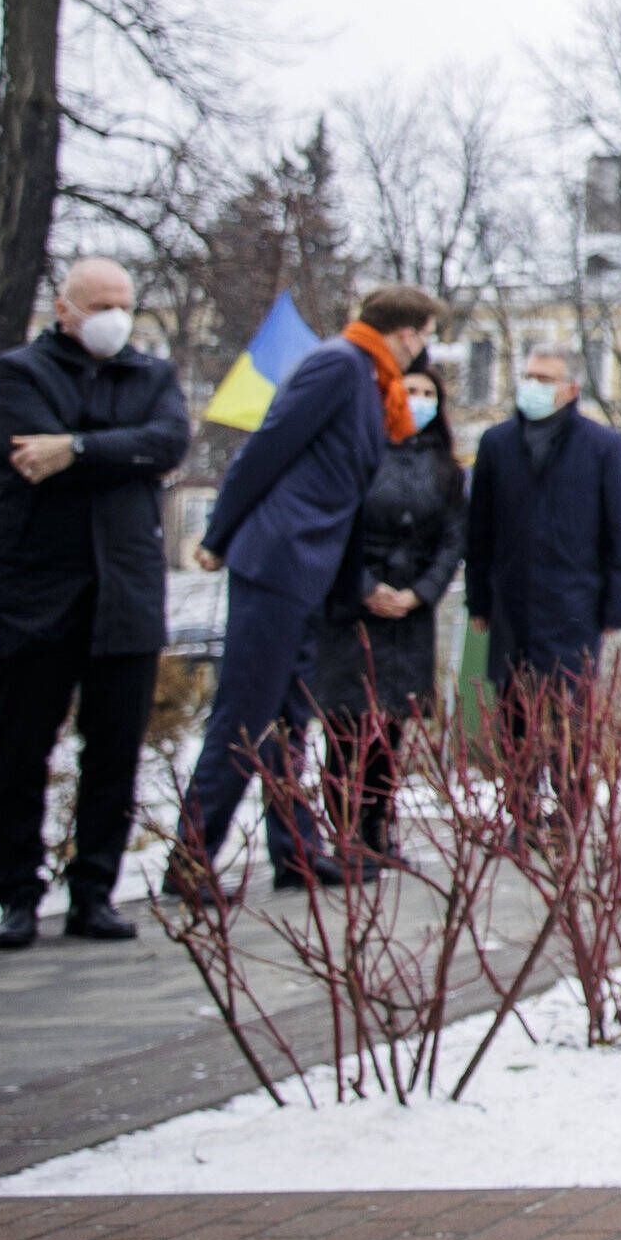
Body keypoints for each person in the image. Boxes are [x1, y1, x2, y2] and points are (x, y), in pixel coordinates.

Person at [179, 285, 437, 901]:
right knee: (245, 713)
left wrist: (350, 587)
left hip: (309, 569)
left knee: (290, 719)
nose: (423, 349)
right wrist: (219, 534)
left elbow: (344, 492)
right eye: (425, 335)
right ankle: (191, 859)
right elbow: (268, 446)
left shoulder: (366, 378)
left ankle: (296, 853)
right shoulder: (338, 364)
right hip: (278, 560)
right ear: (406, 333)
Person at [0, 257, 191, 948]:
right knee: (20, 751)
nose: (114, 317)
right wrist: (113, 453)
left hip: (124, 593)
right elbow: (29, 455)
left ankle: (93, 890)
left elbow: (166, 443)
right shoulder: (17, 373)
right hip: (38, 592)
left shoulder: (151, 375)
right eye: (99, 303)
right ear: (63, 307)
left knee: (114, 755)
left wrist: (75, 446)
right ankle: (15, 893)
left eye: (124, 303)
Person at [461, 344, 621, 827]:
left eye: (544, 378)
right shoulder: (497, 444)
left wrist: (614, 611)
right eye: (528, 375)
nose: (532, 385)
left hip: (574, 605)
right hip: (512, 604)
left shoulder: (602, 447)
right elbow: (479, 532)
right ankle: (522, 815)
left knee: (570, 720)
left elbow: (620, 533)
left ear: (570, 389)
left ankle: (571, 812)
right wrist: (478, 600)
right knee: (514, 717)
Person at [309, 352, 466, 868]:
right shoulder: (358, 453)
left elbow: (452, 540)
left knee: (389, 728)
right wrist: (365, 586)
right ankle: (344, 832)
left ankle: (379, 826)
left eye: (428, 394)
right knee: (347, 726)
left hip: (410, 614)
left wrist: (420, 592)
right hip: (354, 609)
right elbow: (337, 527)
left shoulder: (445, 468)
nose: (417, 402)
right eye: (409, 391)